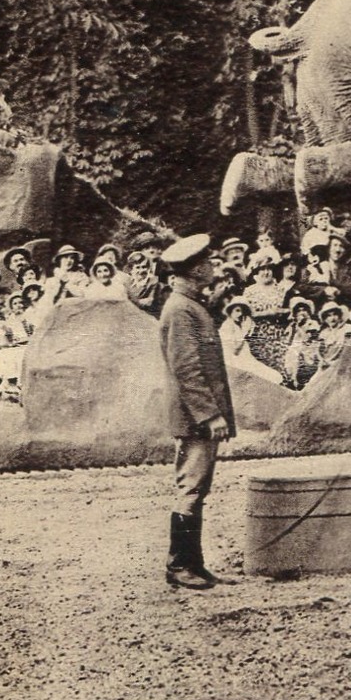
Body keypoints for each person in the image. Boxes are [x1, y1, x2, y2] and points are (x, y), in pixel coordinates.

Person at [156, 234, 236, 591]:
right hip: (193, 417)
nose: (213, 268)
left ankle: (194, 563)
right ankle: (179, 565)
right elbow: (186, 369)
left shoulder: (193, 306)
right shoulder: (181, 310)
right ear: (195, 269)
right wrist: (209, 415)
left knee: (198, 487)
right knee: (190, 487)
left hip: (197, 415)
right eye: (207, 263)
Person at [317, 301, 351, 368]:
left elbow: (348, 349)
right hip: (327, 364)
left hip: (342, 363)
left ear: (340, 316)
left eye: (335, 314)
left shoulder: (347, 328)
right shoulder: (324, 333)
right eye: (328, 316)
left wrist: (336, 363)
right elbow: (319, 351)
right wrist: (322, 361)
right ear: (325, 319)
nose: (332, 318)